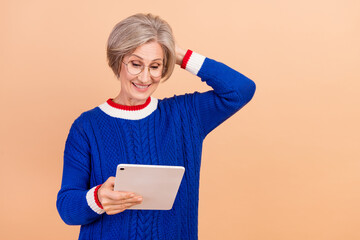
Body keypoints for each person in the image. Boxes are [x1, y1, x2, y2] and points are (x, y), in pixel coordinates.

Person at [56, 13, 256, 240]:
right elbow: (67, 208)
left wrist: (178, 54)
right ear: (117, 61)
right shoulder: (87, 126)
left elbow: (241, 90)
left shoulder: (186, 115)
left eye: (155, 66)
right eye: (135, 64)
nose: (144, 77)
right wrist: (99, 198)